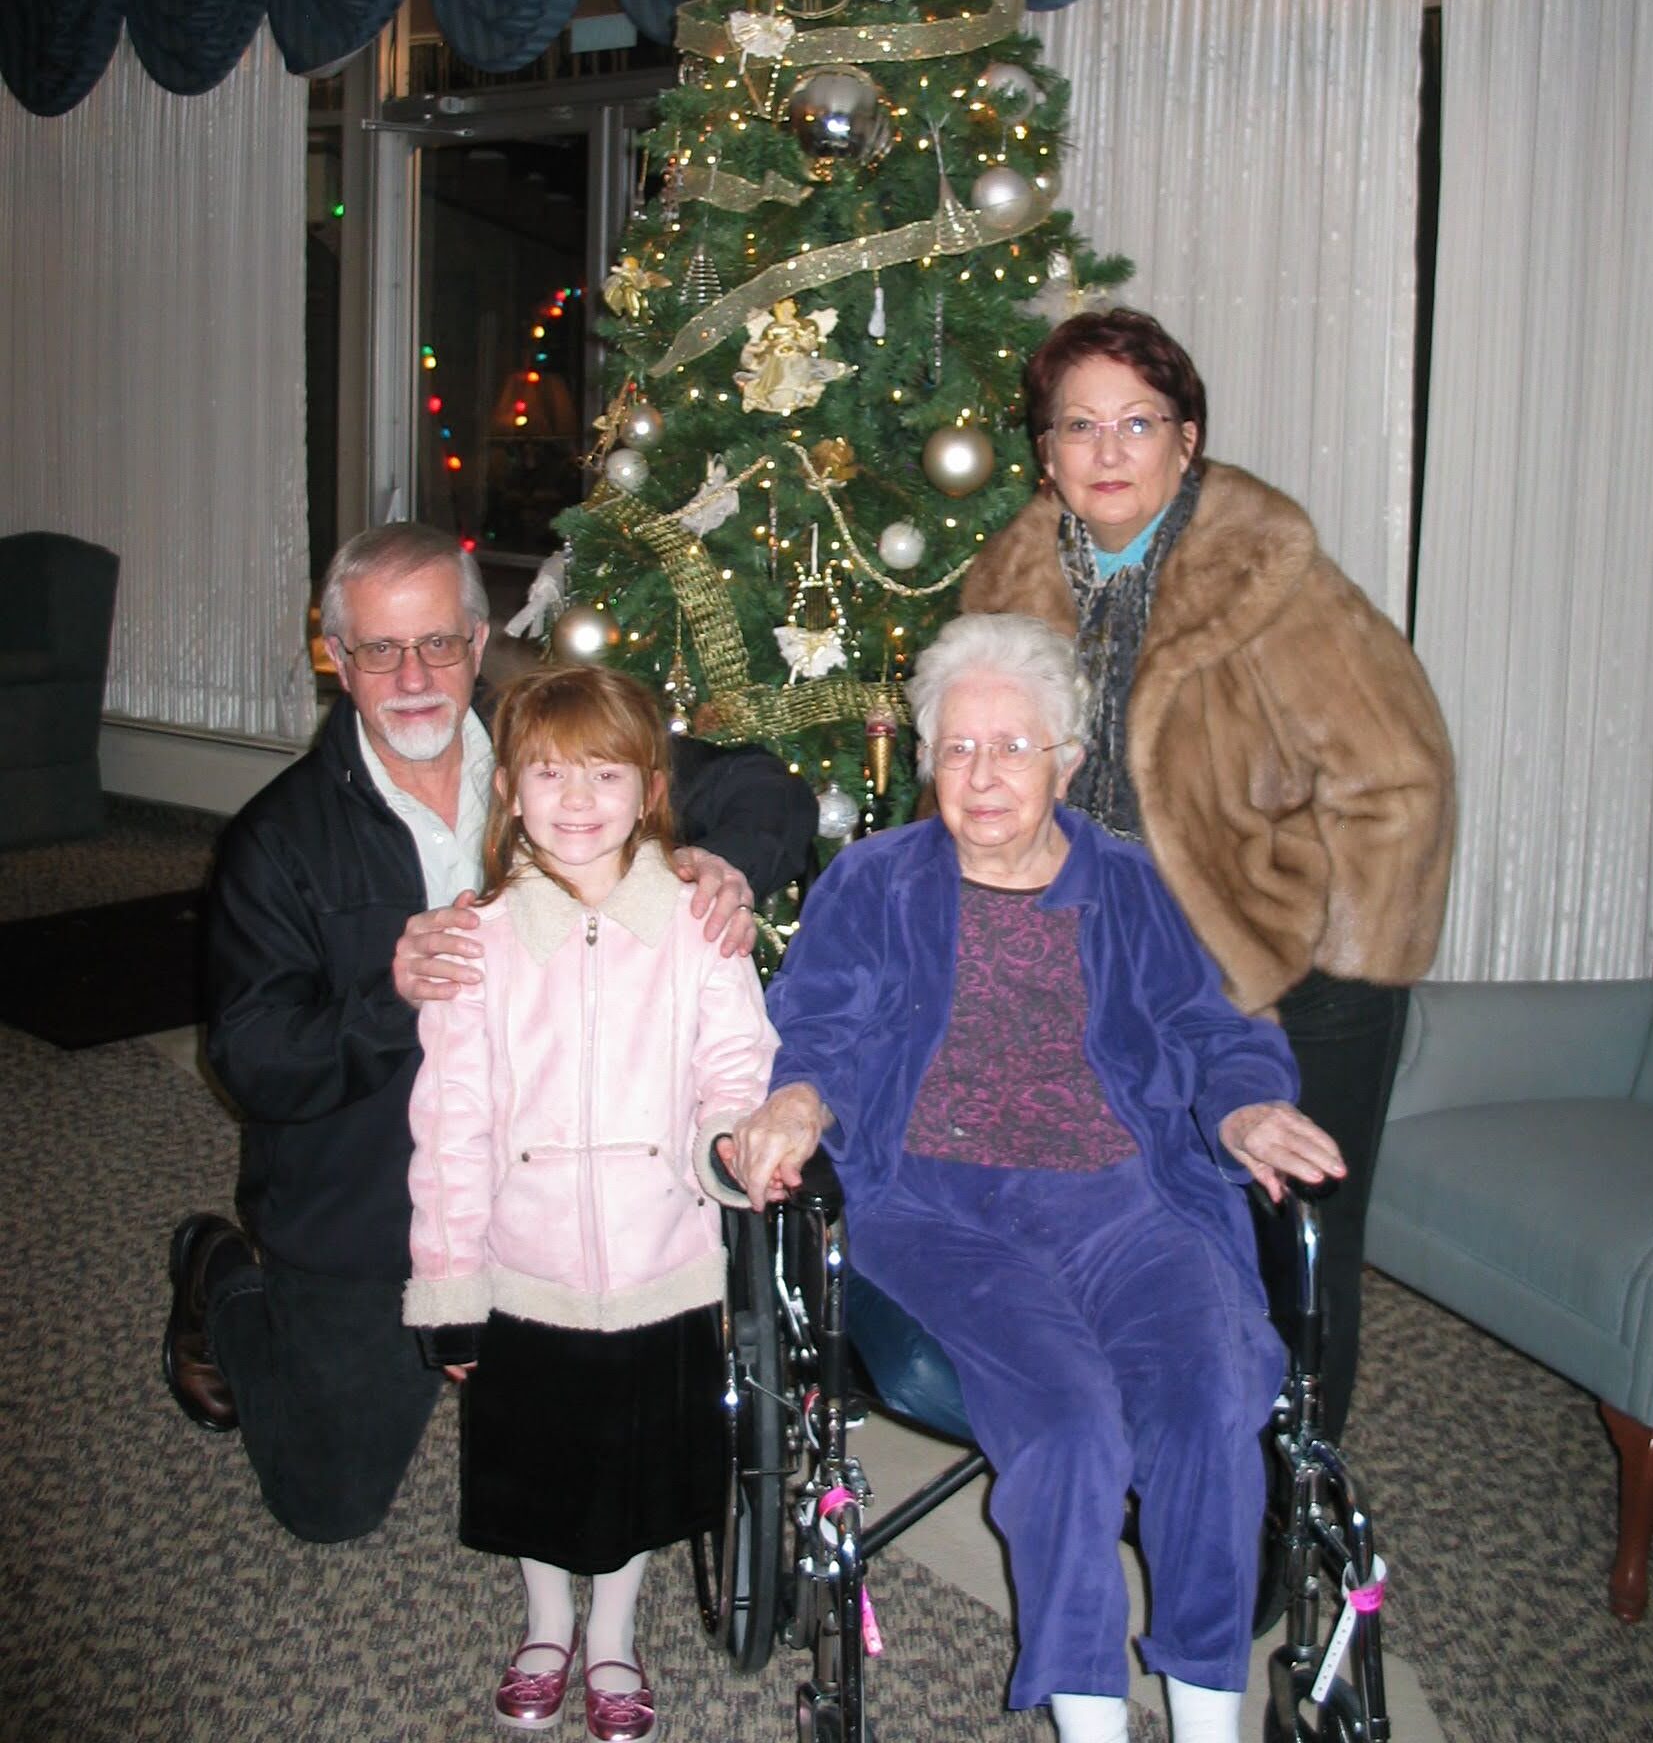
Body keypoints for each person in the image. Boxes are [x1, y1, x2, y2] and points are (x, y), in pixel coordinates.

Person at [726, 614, 1345, 1743]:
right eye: (959, 749)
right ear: (928, 764)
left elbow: (1209, 1025)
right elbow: (814, 1029)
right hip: (940, 1208)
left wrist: (1248, 1103)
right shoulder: (873, 882)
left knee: (1209, 1401)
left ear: (1065, 760)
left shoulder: (1125, 883)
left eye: (1014, 747)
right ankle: (1091, 1719)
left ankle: (1210, 1712)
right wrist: (800, 1099)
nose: (984, 774)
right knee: (1066, 1430)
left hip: (1124, 1195)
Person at [162, 520, 813, 1545]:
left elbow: (761, 784)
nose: (414, 674)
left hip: (561, 1169)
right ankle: (222, 1278)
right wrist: (393, 993)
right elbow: (251, 1060)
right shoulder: (276, 840)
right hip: (369, 1188)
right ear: (335, 657)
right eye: (380, 648)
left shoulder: (550, 760)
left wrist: (727, 859)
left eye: (440, 642)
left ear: (477, 639)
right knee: (328, 1505)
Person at [958, 308, 1454, 1443]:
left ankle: (1292, 1502)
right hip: (1100, 980)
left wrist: (1342, 962)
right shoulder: (1006, 583)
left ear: (1189, 440)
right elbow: (974, 776)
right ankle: (1177, 1472)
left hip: (1281, 982)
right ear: (1046, 454)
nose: (1110, 449)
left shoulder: (1269, 578)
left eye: (1140, 420)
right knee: (1153, 1239)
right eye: (1080, 425)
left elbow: (1403, 776)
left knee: (1292, 1257)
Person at [406, 666, 776, 1740]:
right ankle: (545, 1619)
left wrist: (726, 1152)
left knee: (634, 1469)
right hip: (525, 1270)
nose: (577, 799)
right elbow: (451, 1124)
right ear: (511, 790)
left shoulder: (698, 923)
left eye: (604, 773)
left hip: (661, 1259)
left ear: (649, 787)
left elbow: (736, 1065)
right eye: (550, 774)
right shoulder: (477, 938)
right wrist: (451, 1283)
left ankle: (613, 1631)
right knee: (538, 1464)